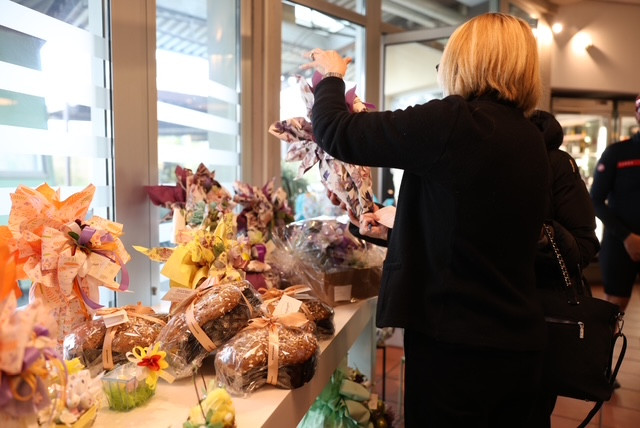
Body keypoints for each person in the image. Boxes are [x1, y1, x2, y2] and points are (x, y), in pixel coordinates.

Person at [302, 13, 551, 427]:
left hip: (457, 351)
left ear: (466, 61)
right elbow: (479, 231)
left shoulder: (456, 123)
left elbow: (336, 132)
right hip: (516, 342)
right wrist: (398, 230)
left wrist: (330, 77)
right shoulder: (527, 137)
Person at [527, 110, 600, 427]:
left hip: (538, 317)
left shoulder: (556, 164)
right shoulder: (468, 152)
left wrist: (545, 233)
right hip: (474, 322)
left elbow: (584, 246)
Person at [590, 94, 640, 314]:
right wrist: (627, 237)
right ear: (636, 114)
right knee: (614, 309)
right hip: (620, 243)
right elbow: (595, 200)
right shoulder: (617, 153)